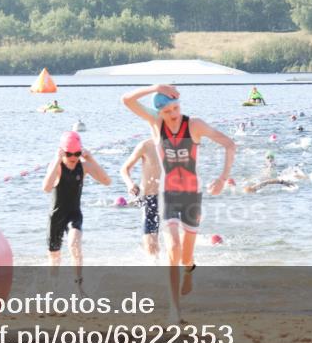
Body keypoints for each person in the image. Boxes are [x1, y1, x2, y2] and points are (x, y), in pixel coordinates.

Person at [122, 84, 236, 323]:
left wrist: (222, 179)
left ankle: (189, 269)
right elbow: (127, 100)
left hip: (192, 197)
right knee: (172, 247)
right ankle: (175, 310)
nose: (173, 114)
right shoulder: (156, 125)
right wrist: (155, 87)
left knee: (186, 256)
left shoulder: (194, 125)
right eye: (167, 111)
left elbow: (229, 144)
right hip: (169, 195)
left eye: (176, 108)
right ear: (159, 113)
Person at [41, 131, 111, 289]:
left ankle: (78, 284)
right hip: (56, 217)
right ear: (62, 152)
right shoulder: (57, 167)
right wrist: (56, 160)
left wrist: (91, 159)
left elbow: (107, 181)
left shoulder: (83, 166)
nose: (73, 158)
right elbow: (46, 188)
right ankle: (53, 288)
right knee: (54, 256)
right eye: (69, 154)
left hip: (74, 214)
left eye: (77, 154)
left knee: (74, 244)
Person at [120, 138, 163, 259]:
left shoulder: (176, 146)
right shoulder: (145, 146)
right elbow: (124, 169)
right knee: (151, 244)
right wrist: (130, 184)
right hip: (149, 198)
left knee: (174, 241)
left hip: (169, 197)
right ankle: (154, 266)